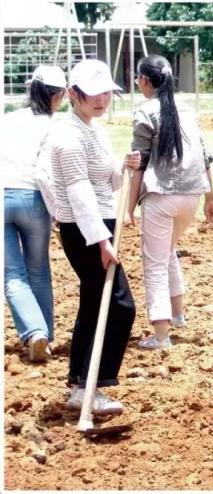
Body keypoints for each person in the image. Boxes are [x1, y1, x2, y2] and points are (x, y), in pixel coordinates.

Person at [48, 59, 139, 414]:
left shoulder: (93, 129)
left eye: (106, 93)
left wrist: (123, 167)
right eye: (93, 94)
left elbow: (105, 180)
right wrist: (101, 241)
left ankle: (79, 385)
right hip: (85, 230)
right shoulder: (68, 137)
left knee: (93, 303)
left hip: (100, 224)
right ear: (73, 93)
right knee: (120, 306)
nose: (102, 100)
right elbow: (79, 191)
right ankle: (93, 386)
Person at [127, 54, 213, 349]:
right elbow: (205, 156)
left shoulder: (145, 112)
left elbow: (139, 163)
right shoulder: (187, 110)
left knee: (154, 263)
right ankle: (177, 315)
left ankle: (161, 335)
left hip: (161, 196)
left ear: (144, 80)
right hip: (191, 196)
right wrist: (210, 199)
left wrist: (128, 208)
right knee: (167, 252)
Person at [2, 65, 66, 363]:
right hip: (33, 198)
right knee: (38, 269)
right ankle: (46, 336)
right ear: (59, 95)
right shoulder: (54, 127)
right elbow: (47, 173)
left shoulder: (9, 119)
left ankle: (34, 331)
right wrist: (57, 210)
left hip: (3, 194)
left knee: (12, 274)